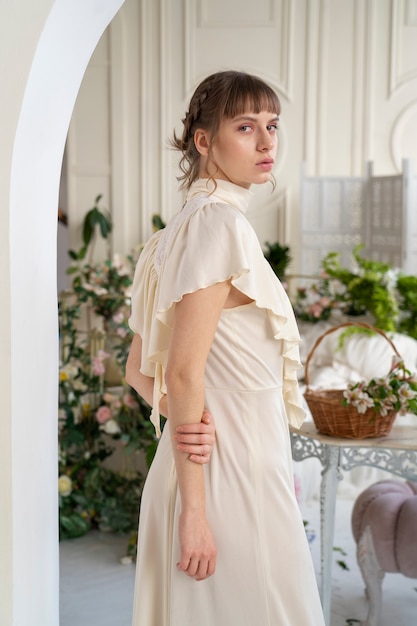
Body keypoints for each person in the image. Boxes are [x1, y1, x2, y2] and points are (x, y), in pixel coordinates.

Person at [126, 70, 325, 626]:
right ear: (205, 140)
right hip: (223, 483)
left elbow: (140, 373)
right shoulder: (219, 227)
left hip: (221, 469)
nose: (266, 143)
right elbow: (182, 376)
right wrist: (196, 509)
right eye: (245, 127)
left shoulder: (174, 234)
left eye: (272, 126)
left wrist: (201, 424)